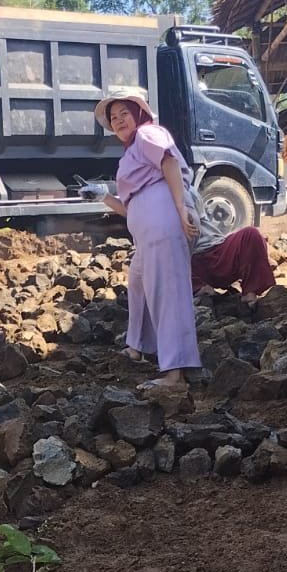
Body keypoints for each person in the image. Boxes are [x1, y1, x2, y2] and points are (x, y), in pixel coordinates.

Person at [94, 86, 201, 390]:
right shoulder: (132, 151)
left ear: (139, 114)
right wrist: (104, 197)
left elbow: (169, 163)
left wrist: (181, 210)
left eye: (124, 113)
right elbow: (132, 208)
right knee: (139, 283)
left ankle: (175, 372)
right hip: (149, 230)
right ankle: (137, 347)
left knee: (168, 291)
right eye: (113, 118)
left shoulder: (148, 134)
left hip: (165, 221)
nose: (118, 121)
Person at [190, 222, 276, 302]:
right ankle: (199, 289)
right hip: (190, 262)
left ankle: (249, 293)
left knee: (251, 233)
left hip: (218, 249)